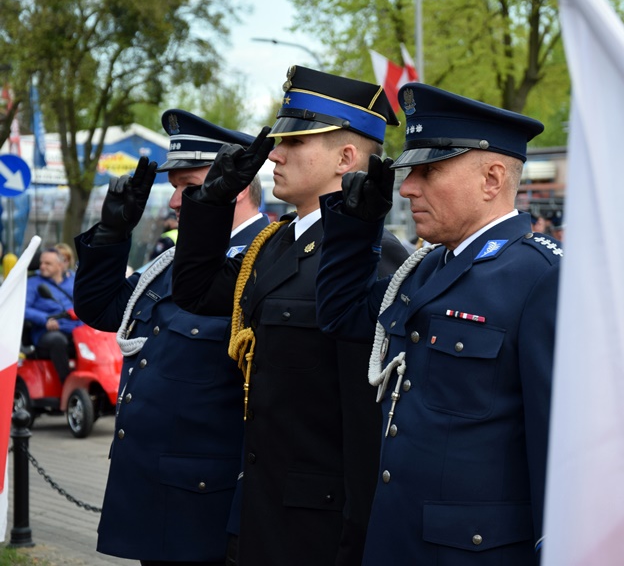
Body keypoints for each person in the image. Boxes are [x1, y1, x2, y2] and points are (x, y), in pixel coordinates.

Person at [171, 66, 409, 566]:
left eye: (294, 142)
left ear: (347, 158)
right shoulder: (273, 244)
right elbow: (194, 291)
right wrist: (211, 201)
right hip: (259, 504)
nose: (274, 154)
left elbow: (366, 420)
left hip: (319, 524)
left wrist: (356, 538)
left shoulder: (376, 257)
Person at [316, 83, 560, 565]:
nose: (407, 188)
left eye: (429, 172)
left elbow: (558, 451)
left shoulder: (540, 278)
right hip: (399, 539)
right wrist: (356, 224)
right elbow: (341, 316)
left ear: (492, 179)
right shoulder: (426, 267)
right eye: (410, 173)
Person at [73, 109, 270, 566]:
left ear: (236, 184)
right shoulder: (173, 261)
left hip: (208, 501)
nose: (176, 201)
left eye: (189, 186)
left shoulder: (264, 257)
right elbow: (103, 309)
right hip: (155, 491)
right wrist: (111, 233)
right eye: (175, 187)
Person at [25, 247, 81, 384]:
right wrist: (45, 319)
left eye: (47, 263)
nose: (42, 266)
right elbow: (23, 309)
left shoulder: (72, 282)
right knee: (57, 340)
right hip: (47, 331)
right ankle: (67, 383)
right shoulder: (33, 283)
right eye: (41, 263)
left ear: (60, 265)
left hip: (76, 329)